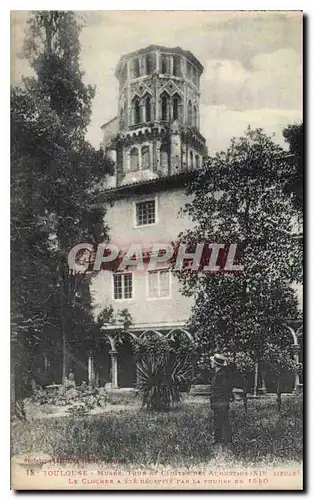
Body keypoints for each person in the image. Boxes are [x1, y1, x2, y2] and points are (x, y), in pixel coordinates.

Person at [210, 353, 234, 449]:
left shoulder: (222, 375)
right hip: (217, 401)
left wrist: (223, 398)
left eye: (212, 362)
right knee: (218, 420)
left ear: (215, 364)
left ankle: (227, 440)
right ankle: (218, 440)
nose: (211, 363)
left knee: (223, 420)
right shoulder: (218, 374)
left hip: (221, 401)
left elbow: (225, 388)